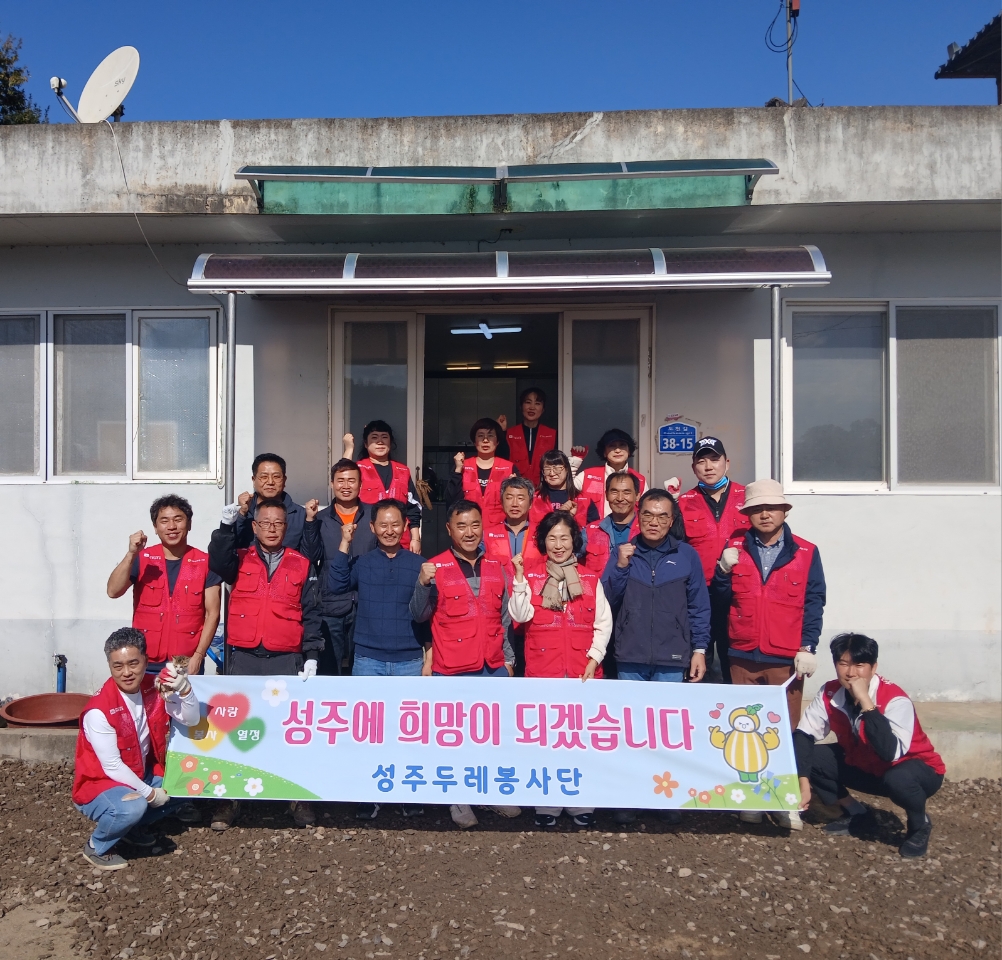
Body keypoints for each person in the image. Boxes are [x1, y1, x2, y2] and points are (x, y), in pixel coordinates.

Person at [712, 478, 826, 830]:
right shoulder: (734, 547)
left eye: (771, 508)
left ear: (784, 511)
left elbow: (814, 601)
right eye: (757, 509)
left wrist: (808, 645)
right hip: (742, 652)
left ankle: (784, 800)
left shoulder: (806, 551)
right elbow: (720, 599)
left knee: (783, 731)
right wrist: (721, 571)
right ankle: (751, 799)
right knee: (743, 732)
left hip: (785, 658)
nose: (764, 514)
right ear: (747, 514)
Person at [208, 496, 322, 831]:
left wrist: (312, 655)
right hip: (243, 658)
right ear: (255, 527)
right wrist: (226, 527)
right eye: (265, 523)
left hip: (285, 658)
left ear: (286, 528)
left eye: (278, 523)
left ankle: (296, 797)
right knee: (235, 730)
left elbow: (312, 614)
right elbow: (218, 561)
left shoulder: (301, 564)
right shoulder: (239, 558)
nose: (272, 529)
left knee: (287, 731)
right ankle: (228, 799)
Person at [602, 488, 710, 825]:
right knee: (631, 732)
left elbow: (699, 606)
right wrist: (621, 566)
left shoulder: (686, 555)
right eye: (648, 514)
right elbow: (606, 599)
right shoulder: (624, 552)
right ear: (638, 515)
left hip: (672, 658)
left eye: (662, 516)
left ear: (672, 520)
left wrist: (699, 650)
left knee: (667, 733)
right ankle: (629, 796)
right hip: (630, 655)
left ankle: (667, 797)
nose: (654, 522)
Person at [410, 500, 521, 829]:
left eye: (475, 525)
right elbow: (419, 615)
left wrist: (509, 660)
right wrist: (422, 584)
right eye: (461, 526)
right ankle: (458, 798)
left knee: (494, 736)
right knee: (457, 738)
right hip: (452, 668)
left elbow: (505, 618)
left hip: (493, 665)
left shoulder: (497, 566)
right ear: (449, 530)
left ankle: (490, 792)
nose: (469, 532)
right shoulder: (434, 567)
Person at [795, 634, 945, 859]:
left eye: (859, 665)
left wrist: (866, 702)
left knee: (899, 779)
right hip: (866, 765)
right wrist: (803, 782)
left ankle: (918, 825)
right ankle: (858, 814)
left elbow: (889, 752)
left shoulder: (895, 699)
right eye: (843, 664)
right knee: (813, 757)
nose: (851, 673)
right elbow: (804, 734)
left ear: (873, 668)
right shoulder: (829, 692)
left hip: (915, 770)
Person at [508, 512, 612, 830]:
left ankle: (581, 801)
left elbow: (603, 623)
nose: (558, 544)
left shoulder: (590, 578)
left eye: (564, 537)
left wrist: (594, 658)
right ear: (543, 542)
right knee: (547, 742)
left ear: (574, 541)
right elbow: (519, 615)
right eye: (552, 538)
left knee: (581, 741)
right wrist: (519, 580)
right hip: (543, 674)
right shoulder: (532, 577)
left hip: (583, 674)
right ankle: (547, 802)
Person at [328, 498, 426, 821]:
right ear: (372, 528)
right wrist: (345, 542)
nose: (389, 530)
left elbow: (428, 612)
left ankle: (408, 793)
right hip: (368, 658)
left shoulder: (418, 565)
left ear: (405, 526)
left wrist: (427, 657)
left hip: (408, 660)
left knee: (408, 735)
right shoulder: (363, 562)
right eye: (383, 524)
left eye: (395, 524)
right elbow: (336, 584)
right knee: (368, 734)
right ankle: (368, 794)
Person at [73, 628, 199, 869]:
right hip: (101, 783)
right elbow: (112, 766)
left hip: (141, 772)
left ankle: (131, 828)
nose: (127, 672)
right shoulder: (99, 710)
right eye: (118, 666)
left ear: (146, 661)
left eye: (133, 663)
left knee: (190, 783)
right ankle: (97, 846)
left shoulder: (155, 687)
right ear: (109, 666)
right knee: (133, 806)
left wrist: (185, 690)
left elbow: (191, 719)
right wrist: (150, 794)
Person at [106, 494, 222, 678]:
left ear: (189, 524)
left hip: (186, 664)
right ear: (155, 527)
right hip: (144, 662)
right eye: (164, 521)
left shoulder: (205, 563)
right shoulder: (142, 559)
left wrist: (199, 655)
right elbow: (113, 591)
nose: (171, 527)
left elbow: (213, 613)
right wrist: (131, 554)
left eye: (178, 519)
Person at [677, 437, 751, 684]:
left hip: (738, 595)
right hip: (700, 596)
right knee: (698, 662)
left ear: (726, 463)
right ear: (693, 467)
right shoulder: (683, 503)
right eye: (702, 461)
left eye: (714, 459)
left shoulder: (747, 498)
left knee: (736, 664)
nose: (708, 466)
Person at [301, 458, 379, 676]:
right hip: (330, 603)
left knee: (362, 668)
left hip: (366, 603)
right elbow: (310, 557)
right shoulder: (321, 518)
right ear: (332, 484)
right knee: (329, 669)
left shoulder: (374, 516)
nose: (346, 486)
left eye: (351, 481)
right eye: (340, 481)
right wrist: (310, 522)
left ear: (360, 484)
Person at [342, 421, 423, 554]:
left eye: (384, 437)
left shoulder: (403, 471)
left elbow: (413, 508)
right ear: (366, 444)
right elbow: (343, 474)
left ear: (390, 442)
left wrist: (415, 538)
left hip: (400, 543)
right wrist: (349, 449)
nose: (380, 442)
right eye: (374, 437)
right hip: (366, 542)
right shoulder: (358, 469)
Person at [445, 418, 515, 528]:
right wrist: (458, 470)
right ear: (474, 441)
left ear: (497, 441)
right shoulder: (462, 466)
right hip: (469, 530)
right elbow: (451, 501)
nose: (485, 440)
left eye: (490, 436)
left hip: (500, 530)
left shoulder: (509, 468)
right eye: (480, 436)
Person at [234, 453, 309, 552]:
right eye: (264, 477)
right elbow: (228, 548)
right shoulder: (241, 513)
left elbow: (310, 555)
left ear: (284, 480)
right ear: (254, 480)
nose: (270, 482)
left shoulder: (300, 515)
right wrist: (241, 514)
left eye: (276, 477)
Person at [572, 428, 647, 519]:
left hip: (630, 528)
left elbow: (646, 510)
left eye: (622, 445)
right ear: (604, 452)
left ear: (629, 450)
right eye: (612, 446)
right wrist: (575, 461)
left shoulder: (640, 480)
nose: (617, 450)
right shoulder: (587, 475)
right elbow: (565, 492)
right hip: (592, 527)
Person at [582, 473, 640, 576]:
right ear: (606, 495)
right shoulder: (590, 531)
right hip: (599, 586)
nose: (620, 498)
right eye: (614, 492)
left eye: (626, 492)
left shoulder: (646, 531)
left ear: (637, 496)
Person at [498, 387, 557, 487]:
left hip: (544, 490)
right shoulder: (509, 433)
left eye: (537, 403)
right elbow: (500, 461)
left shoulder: (552, 434)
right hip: (515, 489)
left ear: (543, 409)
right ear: (521, 406)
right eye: (528, 402)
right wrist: (501, 432)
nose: (532, 407)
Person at [530, 449, 599, 527]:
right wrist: (561, 514)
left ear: (567, 470)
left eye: (557, 468)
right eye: (547, 469)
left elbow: (594, 530)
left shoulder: (584, 500)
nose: (552, 473)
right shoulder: (533, 499)